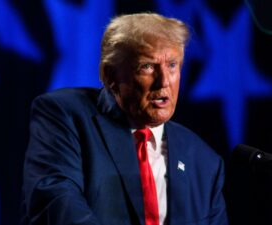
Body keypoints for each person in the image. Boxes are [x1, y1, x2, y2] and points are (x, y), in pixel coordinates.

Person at [21, 12, 228, 225]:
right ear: (111, 76)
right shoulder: (66, 115)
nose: (164, 81)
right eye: (147, 66)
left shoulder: (204, 161)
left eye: (172, 65)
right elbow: (57, 201)